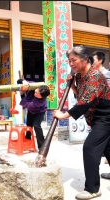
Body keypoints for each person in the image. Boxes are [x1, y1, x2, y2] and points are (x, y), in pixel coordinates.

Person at [53, 45, 110, 200]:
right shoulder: (79, 75)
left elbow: (85, 101)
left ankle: (92, 189)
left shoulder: (95, 75)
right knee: (108, 149)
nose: (71, 64)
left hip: (106, 117)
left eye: (74, 60)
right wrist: (72, 85)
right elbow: (82, 96)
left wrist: (63, 115)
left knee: (90, 147)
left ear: (85, 59)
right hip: (96, 117)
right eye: (69, 61)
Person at [17, 79, 50, 150]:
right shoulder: (35, 86)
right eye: (36, 92)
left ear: (42, 97)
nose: (35, 94)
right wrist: (23, 81)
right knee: (29, 126)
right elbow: (29, 82)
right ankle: (27, 142)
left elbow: (28, 104)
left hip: (40, 112)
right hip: (31, 111)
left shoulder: (40, 101)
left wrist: (22, 93)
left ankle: (42, 146)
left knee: (36, 125)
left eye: (37, 95)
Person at [92, 51, 110, 166]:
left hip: (105, 114)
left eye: (93, 60)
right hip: (96, 114)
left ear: (100, 61)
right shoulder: (92, 74)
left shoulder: (106, 74)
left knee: (92, 146)